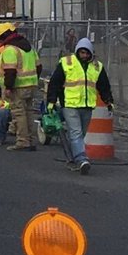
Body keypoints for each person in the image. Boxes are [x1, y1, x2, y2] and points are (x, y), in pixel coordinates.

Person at [47, 37, 114, 175]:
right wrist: (51, 100)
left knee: (81, 133)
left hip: (87, 106)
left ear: (91, 53)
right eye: (82, 52)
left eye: (87, 53)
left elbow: (104, 86)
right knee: (76, 132)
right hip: (69, 104)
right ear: (77, 51)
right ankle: (81, 159)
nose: (84, 55)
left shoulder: (97, 66)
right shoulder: (66, 63)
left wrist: (108, 101)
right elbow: (55, 83)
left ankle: (73, 157)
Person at [0, 21, 40, 151]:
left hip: (18, 87)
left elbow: (10, 71)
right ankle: (30, 140)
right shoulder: (29, 47)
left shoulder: (10, 50)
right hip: (31, 84)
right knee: (29, 112)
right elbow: (38, 66)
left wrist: (8, 87)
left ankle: (22, 141)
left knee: (19, 114)